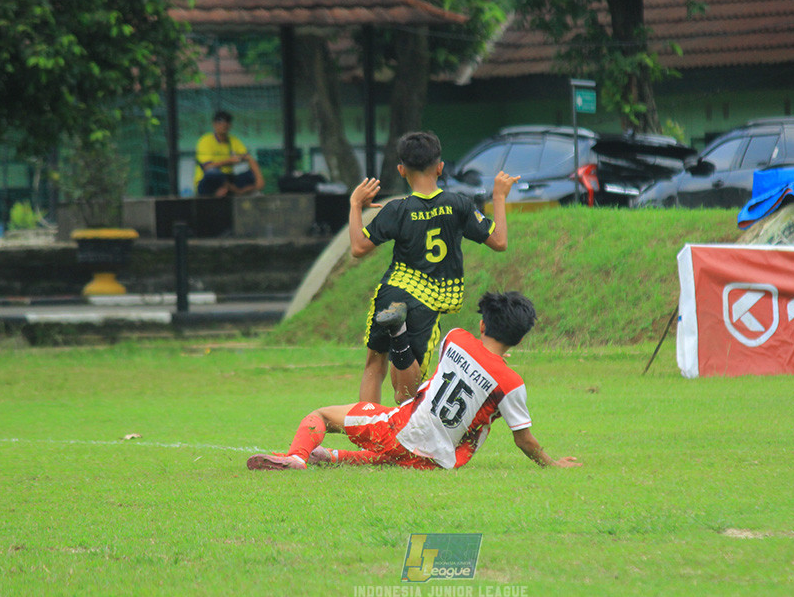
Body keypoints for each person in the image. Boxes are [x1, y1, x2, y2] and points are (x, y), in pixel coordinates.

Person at [247, 291, 581, 471]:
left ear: (483, 325)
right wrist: (552, 464)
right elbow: (524, 440)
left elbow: (459, 370)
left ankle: (296, 458)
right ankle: (328, 457)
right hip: (439, 462)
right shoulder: (511, 382)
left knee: (320, 415)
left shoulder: (457, 338)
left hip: (402, 430)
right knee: (393, 457)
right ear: (520, 340)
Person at [349, 130, 518, 404]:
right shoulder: (458, 205)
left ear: (401, 170)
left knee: (374, 364)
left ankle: (365, 435)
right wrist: (499, 196)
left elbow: (358, 247)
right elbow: (499, 241)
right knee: (407, 393)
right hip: (425, 302)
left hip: (393, 292)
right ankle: (400, 338)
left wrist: (356, 205)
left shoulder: (397, 209)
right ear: (440, 167)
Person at [194, 110, 265, 197]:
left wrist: (259, 179)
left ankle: (242, 192)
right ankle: (229, 191)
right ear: (214, 124)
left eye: (227, 121)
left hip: (228, 179)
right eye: (220, 121)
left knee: (249, 175)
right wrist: (229, 161)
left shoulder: (233, 140)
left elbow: (249, 158)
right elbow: (208, 167)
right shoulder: (205, 141)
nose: (224, 124)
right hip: (209, 181)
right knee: (213, 173)